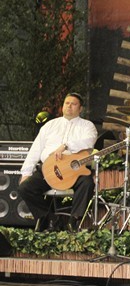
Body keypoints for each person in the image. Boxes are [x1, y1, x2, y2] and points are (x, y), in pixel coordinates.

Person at [19, 93, 97, 231]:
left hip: (74, 170)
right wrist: (26, 172)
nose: (69, 106)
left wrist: (66, 145)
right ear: (62, 106)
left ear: (80, 109)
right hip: (48, 169)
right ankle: (52, 220)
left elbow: (89, 142)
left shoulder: (87, 126)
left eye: (73, 104)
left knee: (87, 183)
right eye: (67, 103)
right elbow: (35, 149)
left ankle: (74, 222)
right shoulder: (50, 125)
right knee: (25, 188)